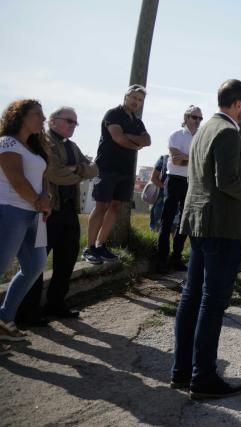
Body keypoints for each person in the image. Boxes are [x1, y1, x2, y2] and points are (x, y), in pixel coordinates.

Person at [172, 79, 241, 399]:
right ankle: (203, 377)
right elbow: (227, 181)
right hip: (222, 225)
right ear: (236, 104)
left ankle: (183, 370)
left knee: (192, 297)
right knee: (212, 301)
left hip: (200, 223)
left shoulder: (206, 127)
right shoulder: (226, 131)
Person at [17, 106, 97, 326]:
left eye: (75, 123)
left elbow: (94, 169)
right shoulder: (43, 142)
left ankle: (56, 303)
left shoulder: (72, 146)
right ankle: (28, 312)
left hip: (69, 211)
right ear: (52, 121)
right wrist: (77, 171)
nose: (73, 126)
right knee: (37, 261)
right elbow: (55, 174)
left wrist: (74, 169)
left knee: (67, 258)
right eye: (69, 121)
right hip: (48, 211)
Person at [0, 100, 51, 342]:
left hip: (32, 214)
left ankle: (4, 319)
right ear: (20, 117)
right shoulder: (7, 142)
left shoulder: (33, 147)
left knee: (34, 266)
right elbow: (17, 180)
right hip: (9, 210)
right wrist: (38, 201)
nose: (43, 119)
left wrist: (45, 199)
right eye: (37, 115)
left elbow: (42, 178)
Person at [85, 85, 151, 264]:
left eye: (140, 100)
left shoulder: (137, 121)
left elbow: (148, 140)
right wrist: (135, 143)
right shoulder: (113, 114)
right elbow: (118, 138)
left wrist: (130, 138)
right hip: (107, 167)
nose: (136, 102)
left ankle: (101, 245)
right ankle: (89, 248)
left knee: (115, 207)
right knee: (101, 206)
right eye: (134, 98)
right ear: (126, 96)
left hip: (126, 171)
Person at [156, 106, 202, 274]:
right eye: (194, 117)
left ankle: (176, 256)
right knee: (166, 220)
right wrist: (192, 159)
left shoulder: (201, 137)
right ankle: (161, 258)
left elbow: (202, 161)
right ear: (186, 117)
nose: (197, 121)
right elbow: (176, 161)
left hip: (191, 181)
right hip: (174, 179)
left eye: (199, 118)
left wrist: (186, 158)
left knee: (185, 221)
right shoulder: (176, 135)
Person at [149, 153, 168, 233]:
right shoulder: (164, 159)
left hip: (179, 198)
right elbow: (153, 178)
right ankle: (154, 244)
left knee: (176, 228)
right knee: (156, 227)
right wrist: (165, 188)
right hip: (161, 198)